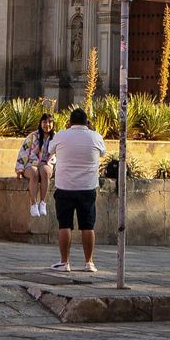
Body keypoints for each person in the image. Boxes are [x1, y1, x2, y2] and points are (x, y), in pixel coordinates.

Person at [49, 105, 105, 275]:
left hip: (65, 186)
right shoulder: (95, 136)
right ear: (87, 122)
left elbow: (50, 150)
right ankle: (89, 262)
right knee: (88, 226)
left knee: (64, 225)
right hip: (87, 187)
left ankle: (64, 262)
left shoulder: (61, 135)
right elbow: (102, 153)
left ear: (69, 122)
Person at [16, 110, 58, 221]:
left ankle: (42, 202)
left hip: (47, 163)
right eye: (44, 122)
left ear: (53, 124)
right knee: (34, 174)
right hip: (31, 164)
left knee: (45, 172)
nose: (47, 125)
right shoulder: (33, 136)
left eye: (50, 122)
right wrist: (20, 169)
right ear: (40, 123)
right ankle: (33, 204)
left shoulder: (56, 138)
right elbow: (23, 151)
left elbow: (61, 154)